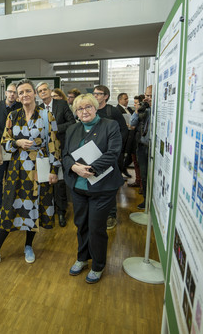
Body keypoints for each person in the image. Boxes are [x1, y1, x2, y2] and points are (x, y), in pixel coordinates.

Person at [0, 79, 61, 270]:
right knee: (8, 208)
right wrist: (17, 143)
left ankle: (29, 245)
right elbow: (5, 141)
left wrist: (54, 170)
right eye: (20, 92)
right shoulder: (12, 116)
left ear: (34, 93)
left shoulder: (47, 115)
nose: (24, 95)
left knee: (34, 206)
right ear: (16, 95)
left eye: (27, 91)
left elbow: (54, 144)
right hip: (17, 169)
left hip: (39, 168)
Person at [63, 93, 124, 284]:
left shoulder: (109, 125)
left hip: (102, 187)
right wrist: (74, 167)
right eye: (80, 109)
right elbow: (65, 155)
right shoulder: (73, 129)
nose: (84, 111)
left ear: (96, 107)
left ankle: (98, 265)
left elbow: (113, 153)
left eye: (88, 107)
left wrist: (91, 169)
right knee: (81, 224)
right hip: (78, 186)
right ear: (76, 113)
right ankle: (82, 258)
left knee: (96, 227)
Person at [36, 81, 75, 227]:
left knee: (59, 182)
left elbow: (72, 123)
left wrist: (54, 128)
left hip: (60, 149)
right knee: (45, 182)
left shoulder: (62, 105)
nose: (43, 92)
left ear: (50, 91)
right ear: (38, 95)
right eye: (40, 91)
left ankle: (61, 212)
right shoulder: (38, 109)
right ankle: (47, 212)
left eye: (45, 89)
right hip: (43, 151)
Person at [92, 85, 127, 230]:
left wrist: (116, 150)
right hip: (93, 155)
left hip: (110, 156)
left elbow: (123, 130)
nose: (95, 96)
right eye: (94, 93)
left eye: (98, 94)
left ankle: (111, 215)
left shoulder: (112, 111)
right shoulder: (90, 110)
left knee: (109, 186)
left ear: (106, 96)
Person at [0, 83, 22, 217]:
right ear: (6, 93)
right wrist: (5, 137)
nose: (12, 94)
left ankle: (11, 204)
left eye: (15, 92)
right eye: (10, 92)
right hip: (0, 147)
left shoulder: (20, 107)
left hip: (15, 147)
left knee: (13, 178)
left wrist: (13, 140)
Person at [131, 86, 153, 209]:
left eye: (150, 96)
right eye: (146, 95)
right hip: (142, 146)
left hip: (153, 147)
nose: (147, 98)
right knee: (144, 175)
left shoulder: (158, 109)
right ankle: (145, 199)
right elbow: (133, 124)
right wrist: (138, 110)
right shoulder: (144, 109)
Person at [126, 95, 143, 189]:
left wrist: (136, 112)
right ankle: (138, 181)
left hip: (140, 142)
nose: (134, 105)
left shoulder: (141, 113)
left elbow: (132, 124)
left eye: (136, 103)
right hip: (135, 140)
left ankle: (141, 184)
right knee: (135, 162)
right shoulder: (136, 112)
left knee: (139, 163)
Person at [116, 92, 134, 178]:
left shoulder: (130, 109)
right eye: (125, 99)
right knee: (121, 155)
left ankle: (124, 168)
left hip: (130, 134)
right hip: (122, 135)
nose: (127, 100)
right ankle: (120, 171)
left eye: (127, 98)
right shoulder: (117, 110)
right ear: (120, 100)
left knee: (129, 154)